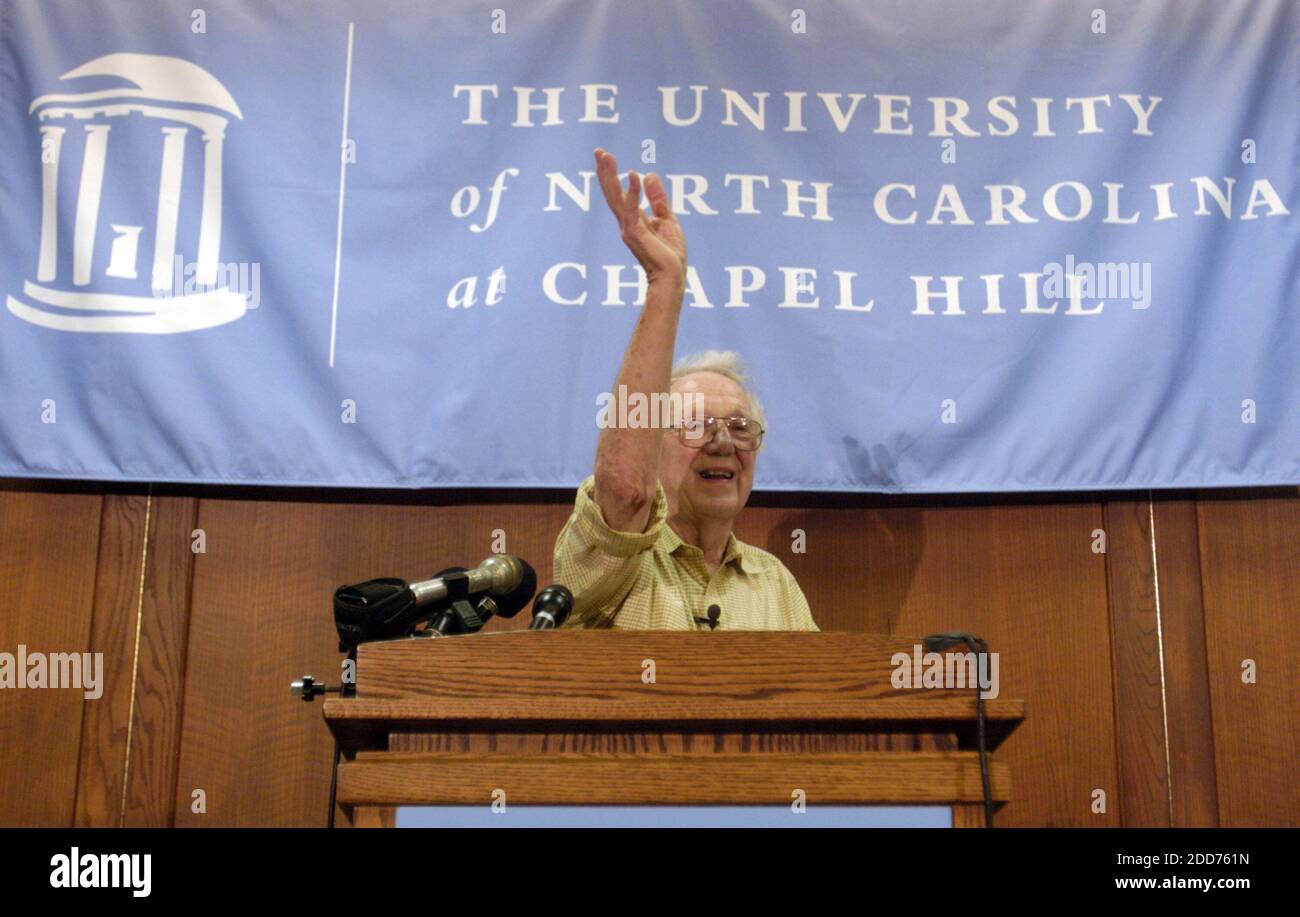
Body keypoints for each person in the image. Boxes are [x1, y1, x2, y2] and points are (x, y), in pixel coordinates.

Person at [553, 148, 818, 631]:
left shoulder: (775, 583)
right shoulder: (611, 563)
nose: (722, 443)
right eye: (696, 425)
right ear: (651, 447)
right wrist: (664, 282)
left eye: (740, 428)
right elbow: (625, 490)